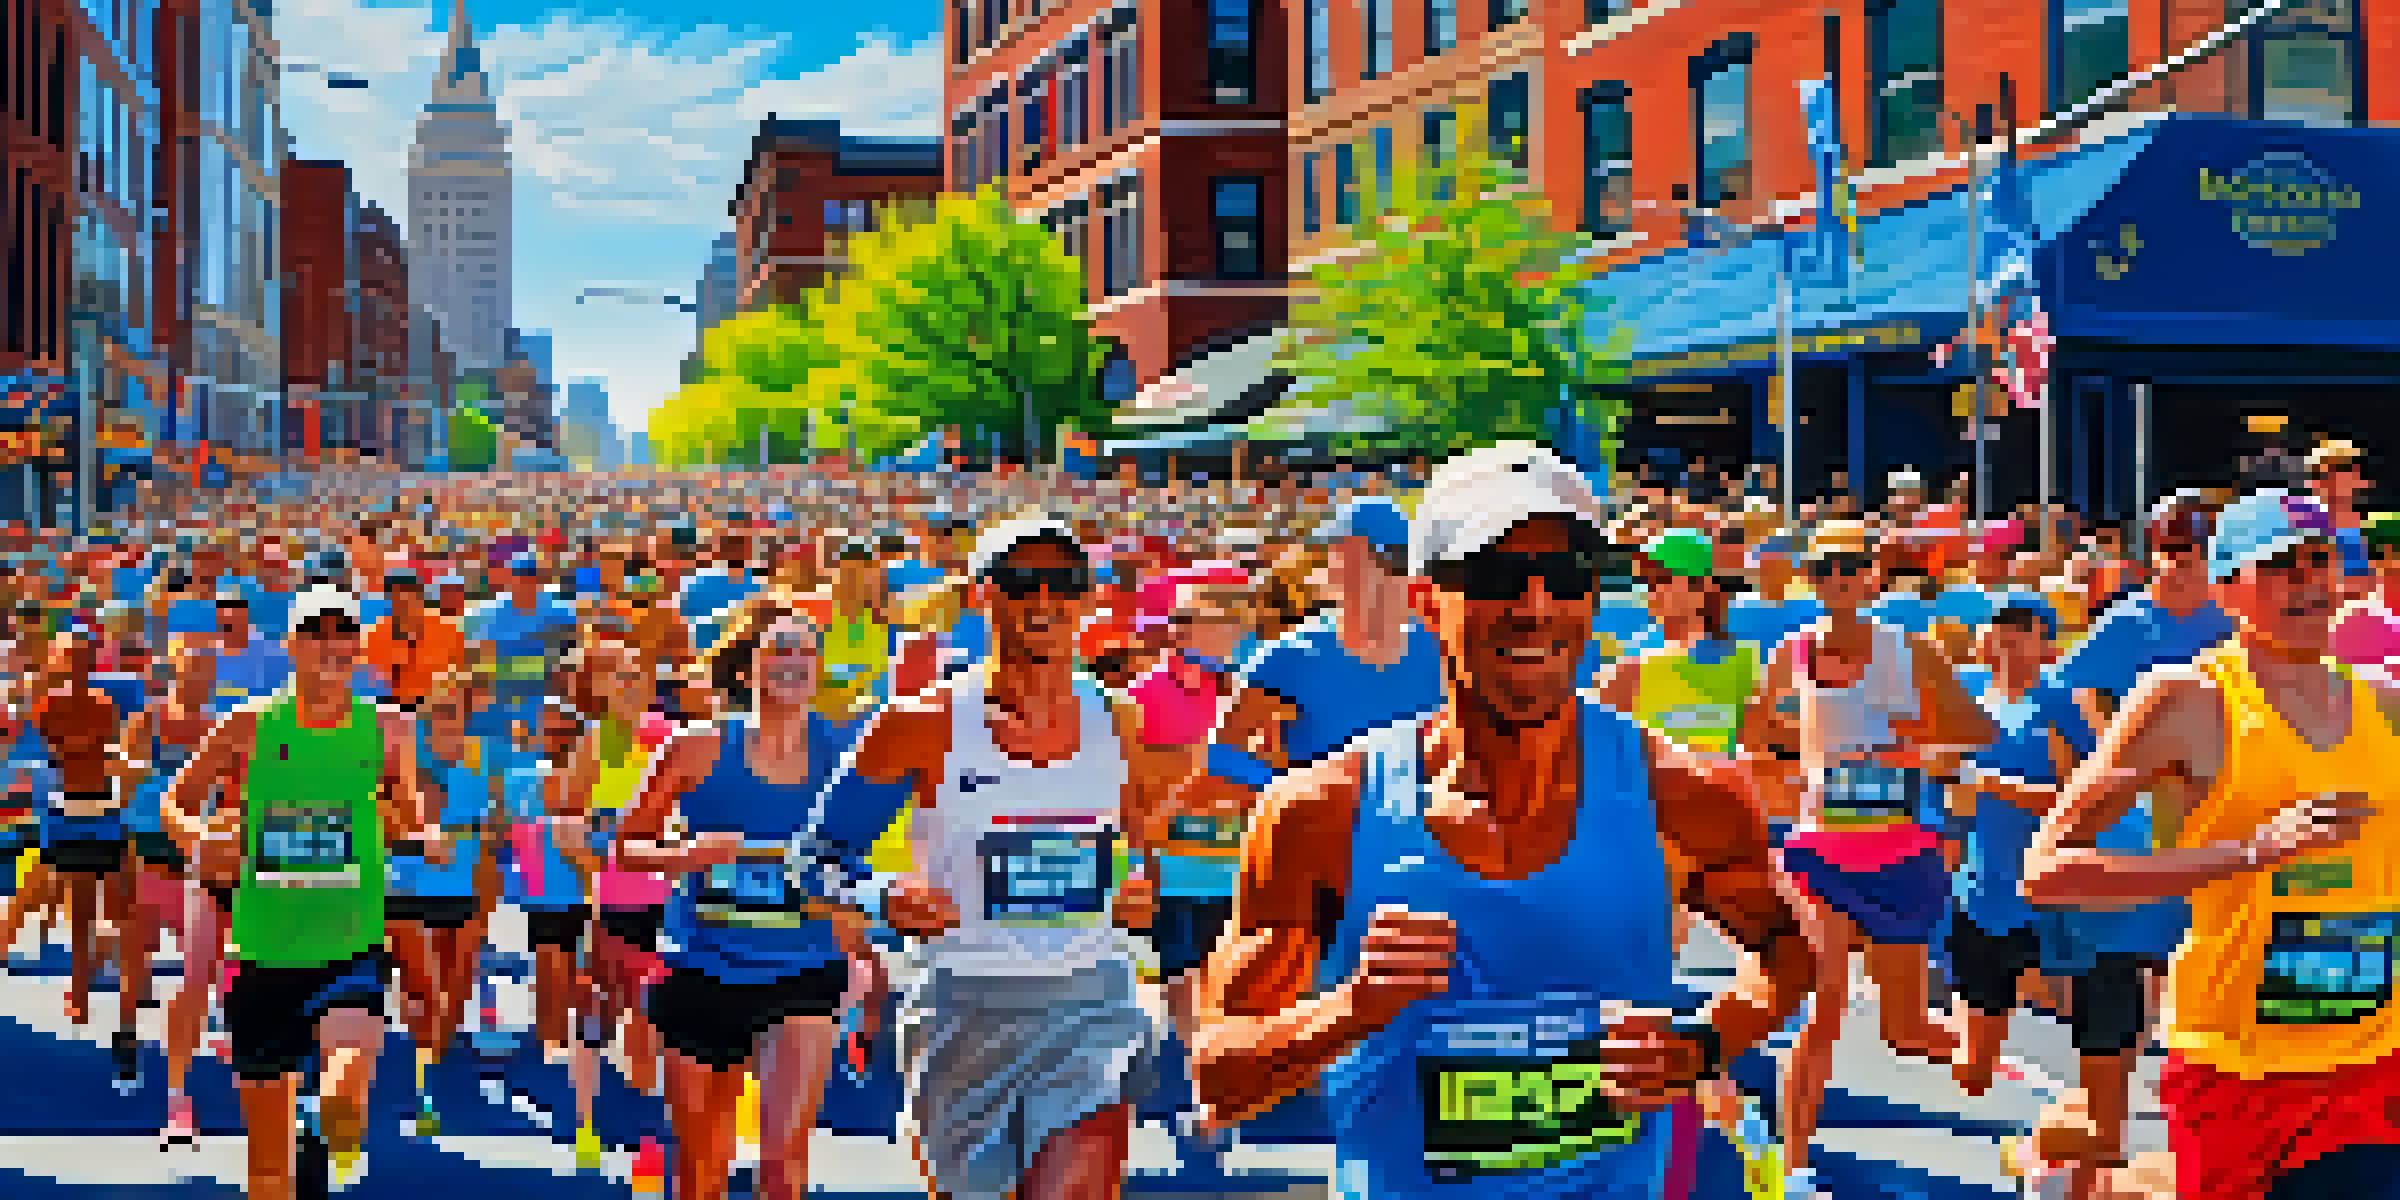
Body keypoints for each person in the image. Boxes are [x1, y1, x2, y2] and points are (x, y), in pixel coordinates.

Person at [1187, 442, 1815, 1200]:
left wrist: (1705, 1044)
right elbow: (1220, 1080)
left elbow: (1786, 956)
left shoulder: (1689, 795)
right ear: (1425, 601)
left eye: (1567, 576)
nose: (1536, 606)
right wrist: (1353, 1007)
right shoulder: (1322, 814)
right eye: (1496, 576)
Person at [2025, 488, 2400, 1199]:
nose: (2309, 583)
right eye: (2282, 568)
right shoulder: (2188, 700)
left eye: (2321, 563)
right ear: (2227, 589)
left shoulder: (2383, 701)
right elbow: (2047, 872)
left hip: (2371, 1063)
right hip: (2237, 1068)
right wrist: (2249, 854)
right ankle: (2074, 1168)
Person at [838, 514, 1162, 1200]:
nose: (1044, 600)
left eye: (1063, 583)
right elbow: (815, 862)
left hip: (1093, 1003)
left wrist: (1137, 890)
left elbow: (1138, 845)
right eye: (1021, 582)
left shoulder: (1119, 719)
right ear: (982, 595)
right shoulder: (918, 724)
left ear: (1085, 599)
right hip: (964, 1007)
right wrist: (884, 901)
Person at [615, 595, 912, 1200]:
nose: (794, 660)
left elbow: (866, 859)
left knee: (782, 1164)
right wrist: (686, 857)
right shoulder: (695, 749)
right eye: (780, 647)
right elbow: (627, 848)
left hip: (804, 973)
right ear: (748, 668)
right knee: (701, 1171)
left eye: (807, 650)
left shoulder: (850, 759)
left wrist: (860, 925)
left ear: (818, 670)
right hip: (700, 968)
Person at [159, 586, 435, 1198]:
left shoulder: (390, 729)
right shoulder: (248, 726)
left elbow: (409, 817)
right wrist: (201, 839)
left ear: (359, 648)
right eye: (317, 632)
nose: (332, 644)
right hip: (262, 954)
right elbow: (173, 802)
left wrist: (419, 830)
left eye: (344, 633)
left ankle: (321, 1129)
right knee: (266, 1171)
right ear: (290, 646)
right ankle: (303, 1139)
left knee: (342, 1095)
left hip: (350, 946)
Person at [1754, 519, 1997, 1199]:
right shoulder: (1792, 652)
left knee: (1905, 1029)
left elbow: (1979, 733)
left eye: (1849, 568)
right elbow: (1756, 736)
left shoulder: (1910, 652)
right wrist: (1794, 760)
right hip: (1817, 853)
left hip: (1899, 854)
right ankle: (1791, 1168)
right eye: (1824, 569)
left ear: (1872, 577)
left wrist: (1912, 749)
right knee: (1822, 1000)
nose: (1837, 580)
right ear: (1810, 578)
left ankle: (1982, 1037)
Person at [381, 667, 504, 1137]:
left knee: (454, 992)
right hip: (408, 886)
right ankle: (423, 1087)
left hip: (463, 887)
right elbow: (386, 820)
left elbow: (494, 833)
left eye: (456, 710)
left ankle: (434, 1066)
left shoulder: (482, 759)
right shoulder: (404, 758)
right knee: (426, 991)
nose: (446, 719)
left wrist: (487, 901)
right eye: (438, 710)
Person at [2306, 439, 2374, 596]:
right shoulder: (2303, 529)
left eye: (2341, 470)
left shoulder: (2373, 530)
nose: (2332, 481)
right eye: (2322, 474)